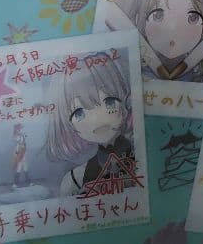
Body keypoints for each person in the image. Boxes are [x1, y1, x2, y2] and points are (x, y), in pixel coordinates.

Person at [46, 53, 138, 197]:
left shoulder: (143, 155)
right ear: (68, 124)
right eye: (79, 113)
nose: (96, 118)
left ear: (125, 100)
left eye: (109, 102)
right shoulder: (76, 179)